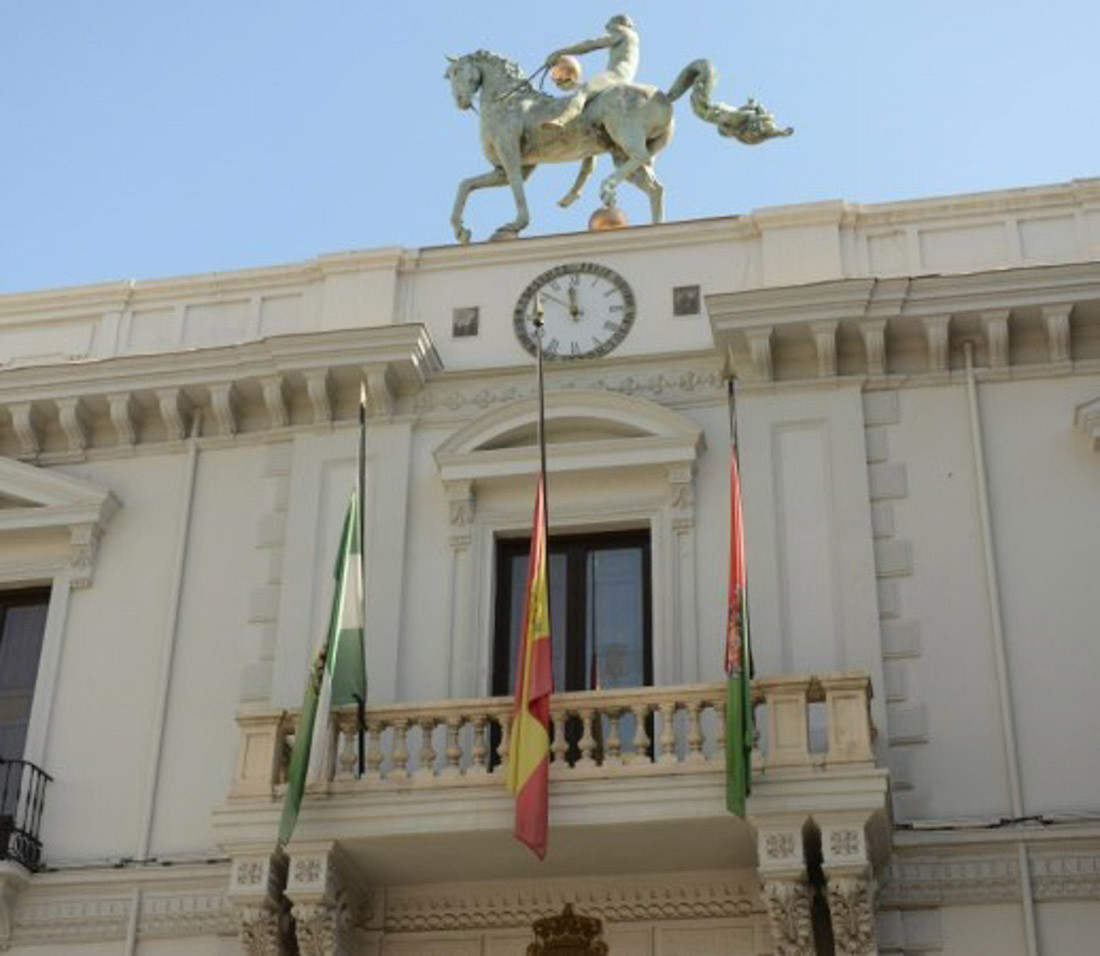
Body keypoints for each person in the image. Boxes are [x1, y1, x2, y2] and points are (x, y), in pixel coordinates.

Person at [542, 14, 639, 130]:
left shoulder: (623, 32)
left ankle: (562, 120)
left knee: (583, 92)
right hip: (623, 75)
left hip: (616, 75)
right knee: (588, 87)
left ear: (618, 23)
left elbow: (592, 44)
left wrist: (560, 52)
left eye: (610, 25)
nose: (608, 28)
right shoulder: (632, 38)